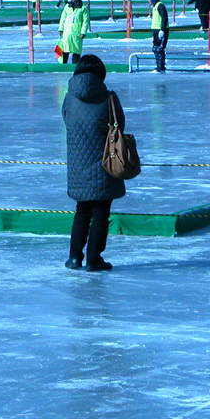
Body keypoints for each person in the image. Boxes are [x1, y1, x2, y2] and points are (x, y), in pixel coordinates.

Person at [62, 54, 126, 271]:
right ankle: (93, 259)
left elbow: (67, 121)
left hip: (78, 167)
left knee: (82, 210)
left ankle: (74, 257)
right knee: (100, 212)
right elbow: (120, 127)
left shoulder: (69, 98)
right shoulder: (108, 98)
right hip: (104, 165)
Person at [57, 0, 89, 64]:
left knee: (76, 52)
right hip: (67, 32)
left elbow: (85, 21)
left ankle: (75, 69)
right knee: (65, 50)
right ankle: (63, 68)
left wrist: (83, 32)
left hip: (76, 33)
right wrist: (61, 29)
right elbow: (63, 18)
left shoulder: (83, 8)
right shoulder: (67, 6)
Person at [147, 0, 169, 72]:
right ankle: (159, 66)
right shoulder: (155, 6)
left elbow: (164, 18)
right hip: (156, 30)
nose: (148, 0)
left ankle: (161, 67)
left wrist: (162, 30)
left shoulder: (160, 6)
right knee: (155, 48)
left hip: (161, 30)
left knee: (159, 49)